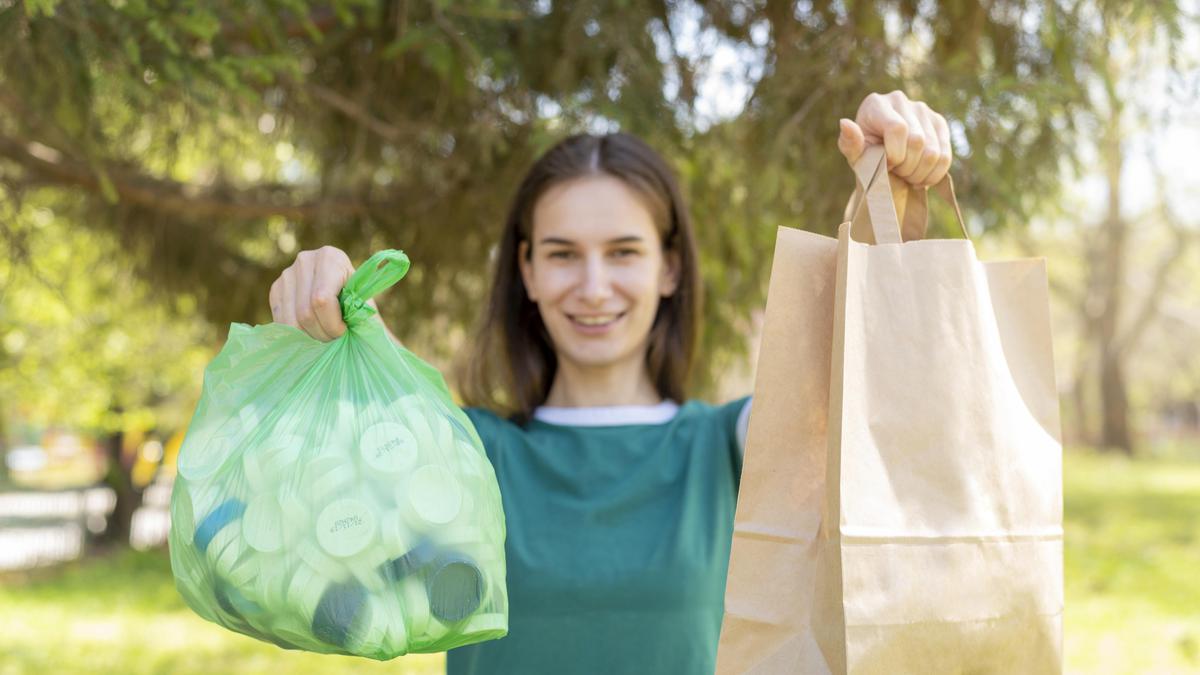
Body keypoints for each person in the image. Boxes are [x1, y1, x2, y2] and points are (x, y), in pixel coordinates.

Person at [267, 90, 953, 674]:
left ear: (669, 268)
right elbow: (347, 422)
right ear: (528, 271)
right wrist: (329, 298)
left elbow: (856, 370)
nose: (594, 287)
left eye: (623, 252)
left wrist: (886, 187)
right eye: (563, 254)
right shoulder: (468, 452)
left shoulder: (728, 447)